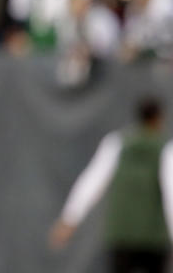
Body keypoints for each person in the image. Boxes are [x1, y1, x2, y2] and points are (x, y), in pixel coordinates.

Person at [49, 98, 173, 273]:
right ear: (159, 118)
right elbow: (171, 193)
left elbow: (92, 181)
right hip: (155, 237)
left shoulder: (116, 144)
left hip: (122, 232)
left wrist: (70, 219)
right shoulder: (166, 149)